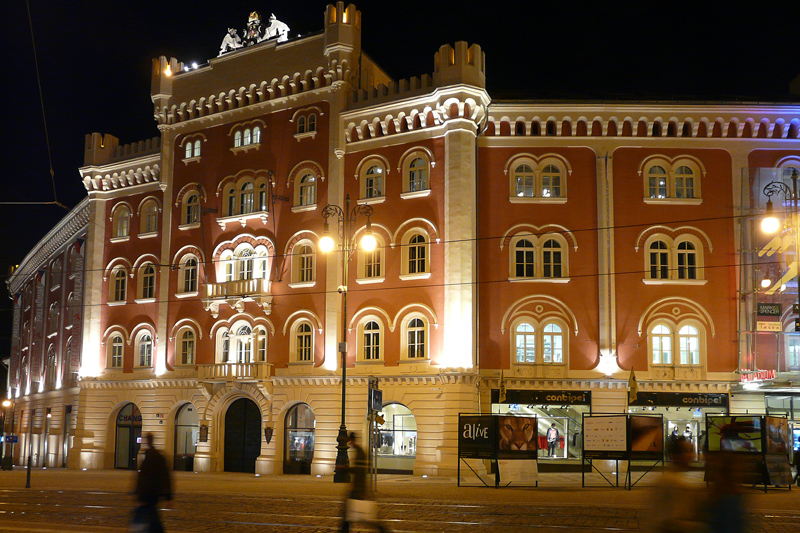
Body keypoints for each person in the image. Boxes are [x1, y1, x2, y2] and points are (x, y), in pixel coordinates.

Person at [341, 432, 388, 532]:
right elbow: (359, 470)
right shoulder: (359, 451)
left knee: (365, 517)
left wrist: (345, 469)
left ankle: (383, 530)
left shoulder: (360, 452)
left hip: (358, 489)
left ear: (352, 440)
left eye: (350, 441)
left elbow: (359, 471)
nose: (349, 444)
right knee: (349, 515)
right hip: (358, 489)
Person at [133, 433, 173, 533]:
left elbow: (142, 478)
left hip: (148, 495)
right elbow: (165, 476)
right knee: (153, 520)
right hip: (153, 495)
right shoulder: (158, 456)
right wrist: (168, 496)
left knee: (150, 520)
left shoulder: (149, 458)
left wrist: (139, 496)